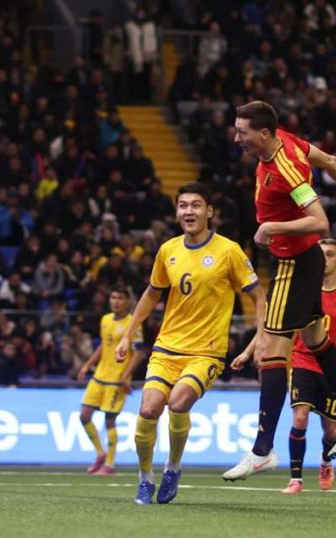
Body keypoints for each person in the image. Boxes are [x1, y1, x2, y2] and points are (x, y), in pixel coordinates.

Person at [224, 101, 336, 481]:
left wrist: (271, 228)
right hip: (305, 260)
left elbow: (318, 219)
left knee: (272, 351)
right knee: (315, 338)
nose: (236, 138)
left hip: (293, 263)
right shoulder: (286, 142)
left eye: (242, 132)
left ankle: (262, 450)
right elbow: (328, 159)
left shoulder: (284, 168)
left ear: (263, 134)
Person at [116, 182, 266, 505]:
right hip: (167, 348)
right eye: (183, 206)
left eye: (196, 205)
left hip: (206, 351)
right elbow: (151, 294)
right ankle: (145, 478)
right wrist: (128, 333)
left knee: (179, 402)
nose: (189, 211)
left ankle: (173, 467)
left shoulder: (229, 251)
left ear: (209, 211)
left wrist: (258, 340)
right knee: (148, 408)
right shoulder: (168, 250)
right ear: (176, 212)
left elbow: (258, 296)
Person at [252, 239, 336, 494]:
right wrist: (250, 351)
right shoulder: (299, 290)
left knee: (331, 432)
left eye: (330, 255)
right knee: (299, 418)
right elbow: (271, 325)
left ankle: (325, 462)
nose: (325, 260)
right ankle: (296, 479)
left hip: (332, 370)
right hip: (301, 362)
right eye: (320, 255)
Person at [76, 287, 146, 476]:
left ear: (127, 301)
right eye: (113, 297)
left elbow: (139, 352)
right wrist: (87, 365)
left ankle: (109, 464)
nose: (115, 301)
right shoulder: (105, 319)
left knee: (109, 421)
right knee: (84, 416)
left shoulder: (133, 323)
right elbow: (103, 345)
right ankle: (100, 453)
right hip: (99, 376)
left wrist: (125, 376)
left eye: (119, 298)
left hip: (116, 380)